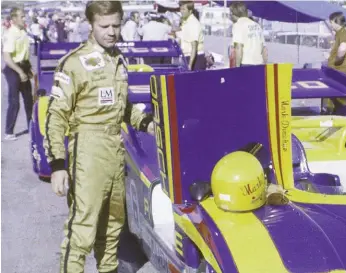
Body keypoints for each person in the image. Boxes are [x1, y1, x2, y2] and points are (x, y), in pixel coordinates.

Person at [43, 2, 155, 272]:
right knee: (81, 231)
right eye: (104, 26)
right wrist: (58, 164)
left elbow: (122, 107)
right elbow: (55, 116)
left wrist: (146, 123)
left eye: (116, 25)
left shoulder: (118, 59)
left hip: (115, 150)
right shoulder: (72, 63)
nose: (111, 32)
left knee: (112, 229)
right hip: (88, 152)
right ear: (90, 25)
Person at [2, 7, 33, 141]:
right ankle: (9, 132)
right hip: (13, 69)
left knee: (29, 100)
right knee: (14, 101)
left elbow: (24, 54)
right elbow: (7, 58)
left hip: (23, 66)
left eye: (24, 16)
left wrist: (28, 69)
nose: (24, 18)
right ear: (14, 19)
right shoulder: (11, 34)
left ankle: (31, 127)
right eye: (22, 16)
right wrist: (20, 72)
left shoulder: (23, 31)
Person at [229, 1, 267, 67]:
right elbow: (264, 48)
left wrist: (237, 67)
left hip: (246, 63)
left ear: (234, 14)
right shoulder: (257, 25)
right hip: (259, 63)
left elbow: (238, 47)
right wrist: (265, 64)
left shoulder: (238, 25)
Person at [178, 0, 206, 71]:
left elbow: (194, 45)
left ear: (190, 11)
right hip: (186, 56)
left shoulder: (193, 23)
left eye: (184, 9)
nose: (181, 11)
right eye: (180, 9)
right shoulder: (185, 22)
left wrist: (190, 65)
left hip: (195, 58)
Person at [327, 11, 346, 78]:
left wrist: (334, 60)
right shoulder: (340, 33)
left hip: (341, 72)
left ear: (336, 22)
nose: (330, 25)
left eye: (331, 22)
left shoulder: (343, 33)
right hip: (339, 71)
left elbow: (342, 49)